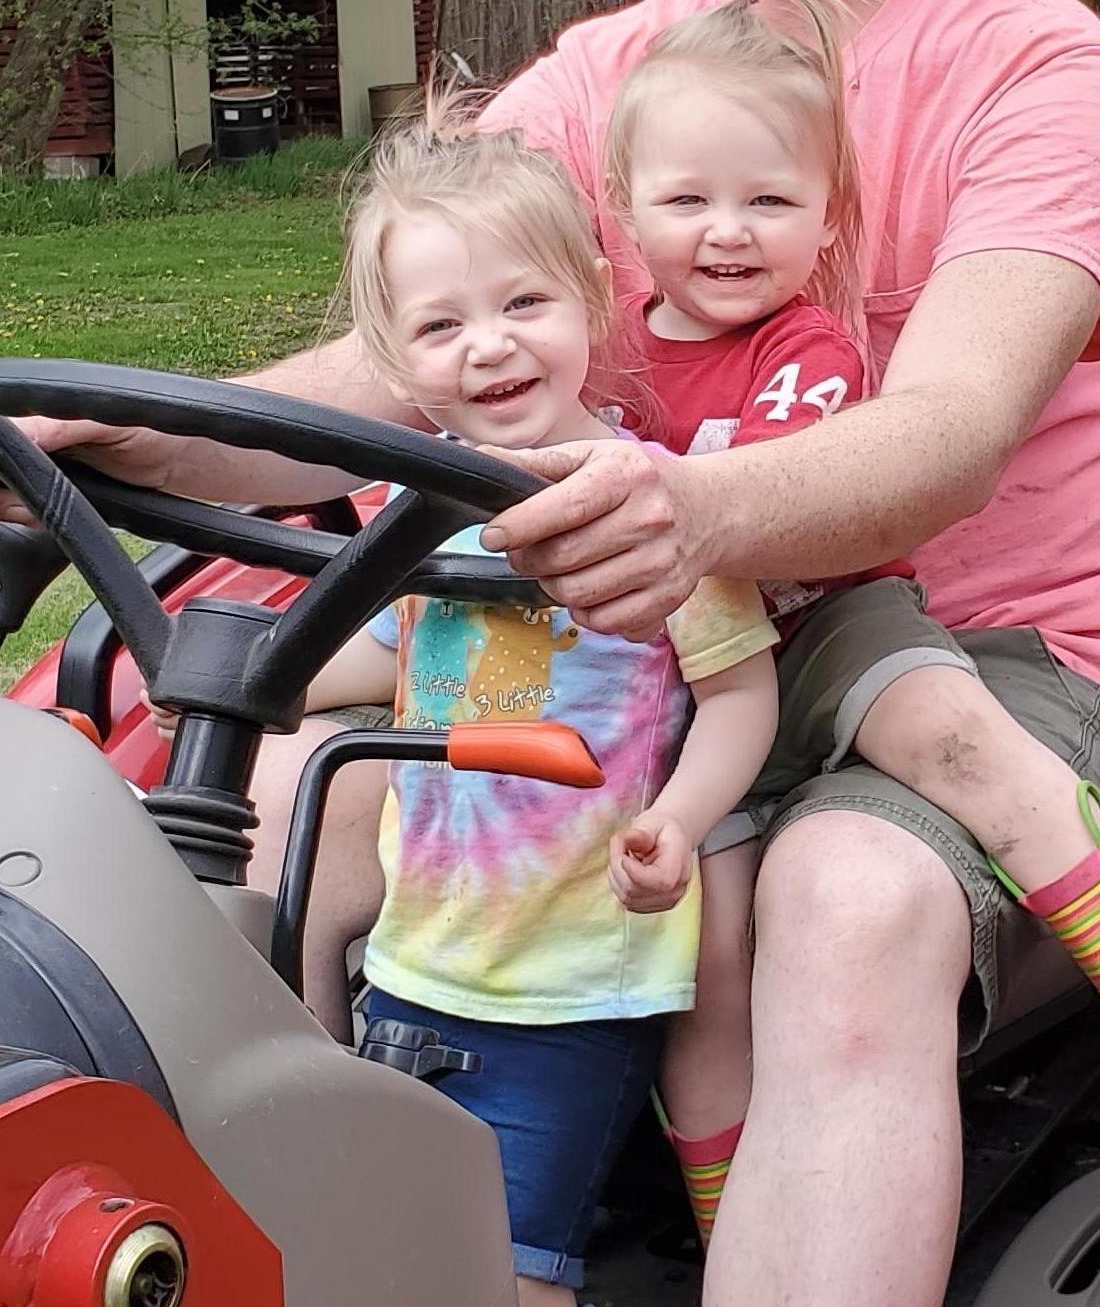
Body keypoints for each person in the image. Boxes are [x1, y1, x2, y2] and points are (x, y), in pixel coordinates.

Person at [0, 0, 1100, 1307]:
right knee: (270, 809)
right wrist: (107, 441)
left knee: (848, 905)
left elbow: (957, 430)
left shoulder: (1034, 68)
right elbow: (404, 376)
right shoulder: (606, 79)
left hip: (962, 656)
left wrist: (693, 513)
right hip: (617, 652)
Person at [601, 0, 1100, 1241]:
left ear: (826, 219)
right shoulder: (612, 363)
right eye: (689, 200)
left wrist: (651, 495)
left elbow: (790, 488)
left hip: (835, 624)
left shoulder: (808, 349)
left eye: (769, 202)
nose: (729, 232)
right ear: (623, 211)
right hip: (699, 681)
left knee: (955, 737)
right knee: (704, 964)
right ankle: (725, 1223)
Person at [290, 109, 779, 1305]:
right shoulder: (416, 513)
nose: (490, 348)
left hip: (567, 985)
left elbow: (739, 696)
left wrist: (682, 815)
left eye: (524, 305)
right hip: (415, 965)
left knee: (513, 1277)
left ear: (595, 302)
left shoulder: (650, 508)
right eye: (442, 325)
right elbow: (402, 656)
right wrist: (261, 669)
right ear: (395, 360)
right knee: (396, 1257)